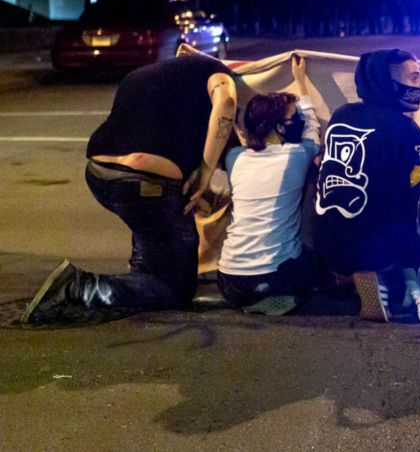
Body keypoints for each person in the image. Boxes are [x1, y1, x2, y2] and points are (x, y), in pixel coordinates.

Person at [22, 50, 252, 324]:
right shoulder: (218, 73)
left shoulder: (147, 77)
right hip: (145, 185)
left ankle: (138, 279)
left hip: (99, 174)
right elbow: (226, 102)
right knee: (177, 289)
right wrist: (204, 173)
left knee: (153, 226)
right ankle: (79, 288)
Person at [313, 49, 420, 323]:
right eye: (414, 78)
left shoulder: (341, 114)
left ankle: (372, 277)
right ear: (387, 83)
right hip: (376, 245)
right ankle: (394, 278)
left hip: (327, 244)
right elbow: (415, 192)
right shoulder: (406, 131)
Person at [216, 55, 320, 316]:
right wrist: (301, 83)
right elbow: (312, 126)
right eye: (291, 117)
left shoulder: (234, 158)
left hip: (228, 280)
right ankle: (284, 295)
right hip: (272, 279)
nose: (296, 120)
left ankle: (252, 300)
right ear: (278, 126)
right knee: (314, 260)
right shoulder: (296, 156)